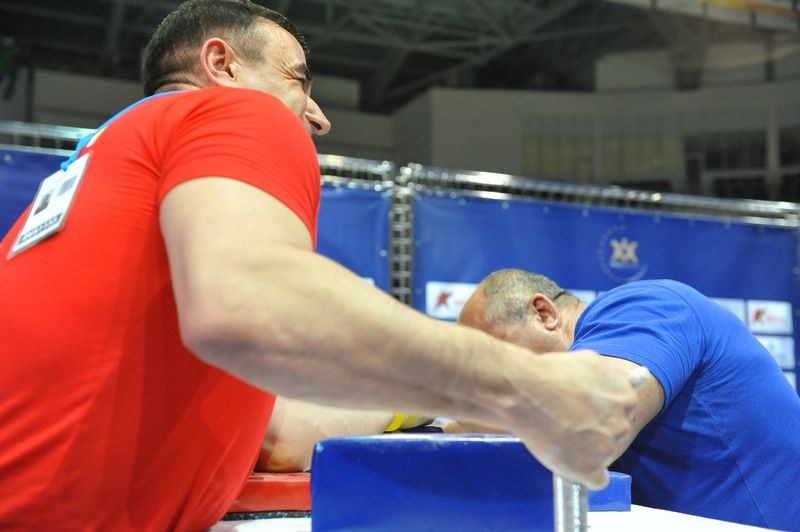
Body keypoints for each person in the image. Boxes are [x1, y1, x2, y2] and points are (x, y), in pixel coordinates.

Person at [0, 1, 645, 530]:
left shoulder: (79, 183)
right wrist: (525, 386)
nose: (319, 116)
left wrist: (434, 411)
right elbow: (251, 304)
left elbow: (275, 431)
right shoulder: (236, 110)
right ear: (220, 64)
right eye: (299, 79)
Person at [457, 269, 800, 530]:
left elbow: (587, 424)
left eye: (495, 351)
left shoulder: (644, 306)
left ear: (544, 313)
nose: (492, 372)